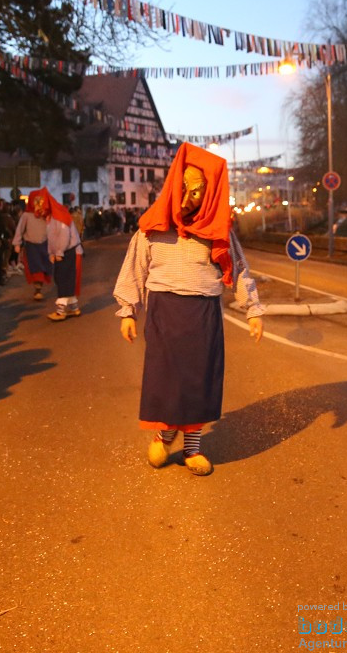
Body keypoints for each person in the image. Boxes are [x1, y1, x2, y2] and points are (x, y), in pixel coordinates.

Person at [113, 143, 265, 477]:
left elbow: (238, 269)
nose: (187, 199)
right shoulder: (153, 226)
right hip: (164, 310)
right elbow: (135, 266)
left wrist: (253, 309)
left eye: (196, 192)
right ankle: (165, 433)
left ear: (208, 194)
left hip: (203, 312)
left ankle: (192, 448)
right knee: (167, 380)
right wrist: (127, 310)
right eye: (183, 190)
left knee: (199, 380)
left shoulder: (217, 231)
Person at [14, 188, 83, 320]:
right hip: (64, 252)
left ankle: (61, 311)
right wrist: (52, 252)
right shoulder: (51, 217)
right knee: (65, 279)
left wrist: (58, 252)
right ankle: (74, 308)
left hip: (68, 252)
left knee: (63, 280)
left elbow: (63, 236)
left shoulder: (58, 217)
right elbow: (52, 238)